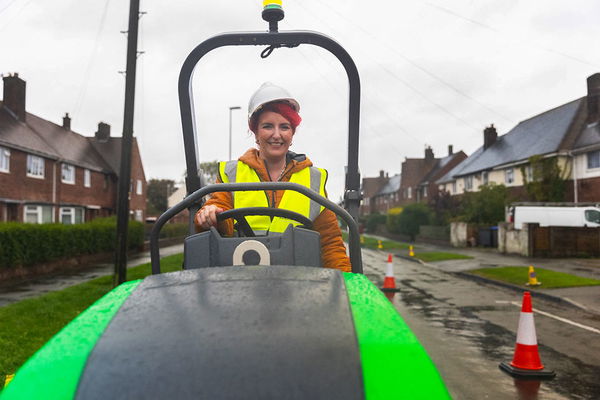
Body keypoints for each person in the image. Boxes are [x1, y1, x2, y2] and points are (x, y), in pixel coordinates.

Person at [194, 82, 351, 272]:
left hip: (298, 283)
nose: (276, 135)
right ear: (255, 132)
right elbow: (219, 212)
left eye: (284, 127)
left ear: (292, 133)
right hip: (242, 279)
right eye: (268, 126)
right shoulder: (232, 174)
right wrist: (210, 214)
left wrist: (346, 284)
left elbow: (330, 241)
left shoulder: (313, 179)